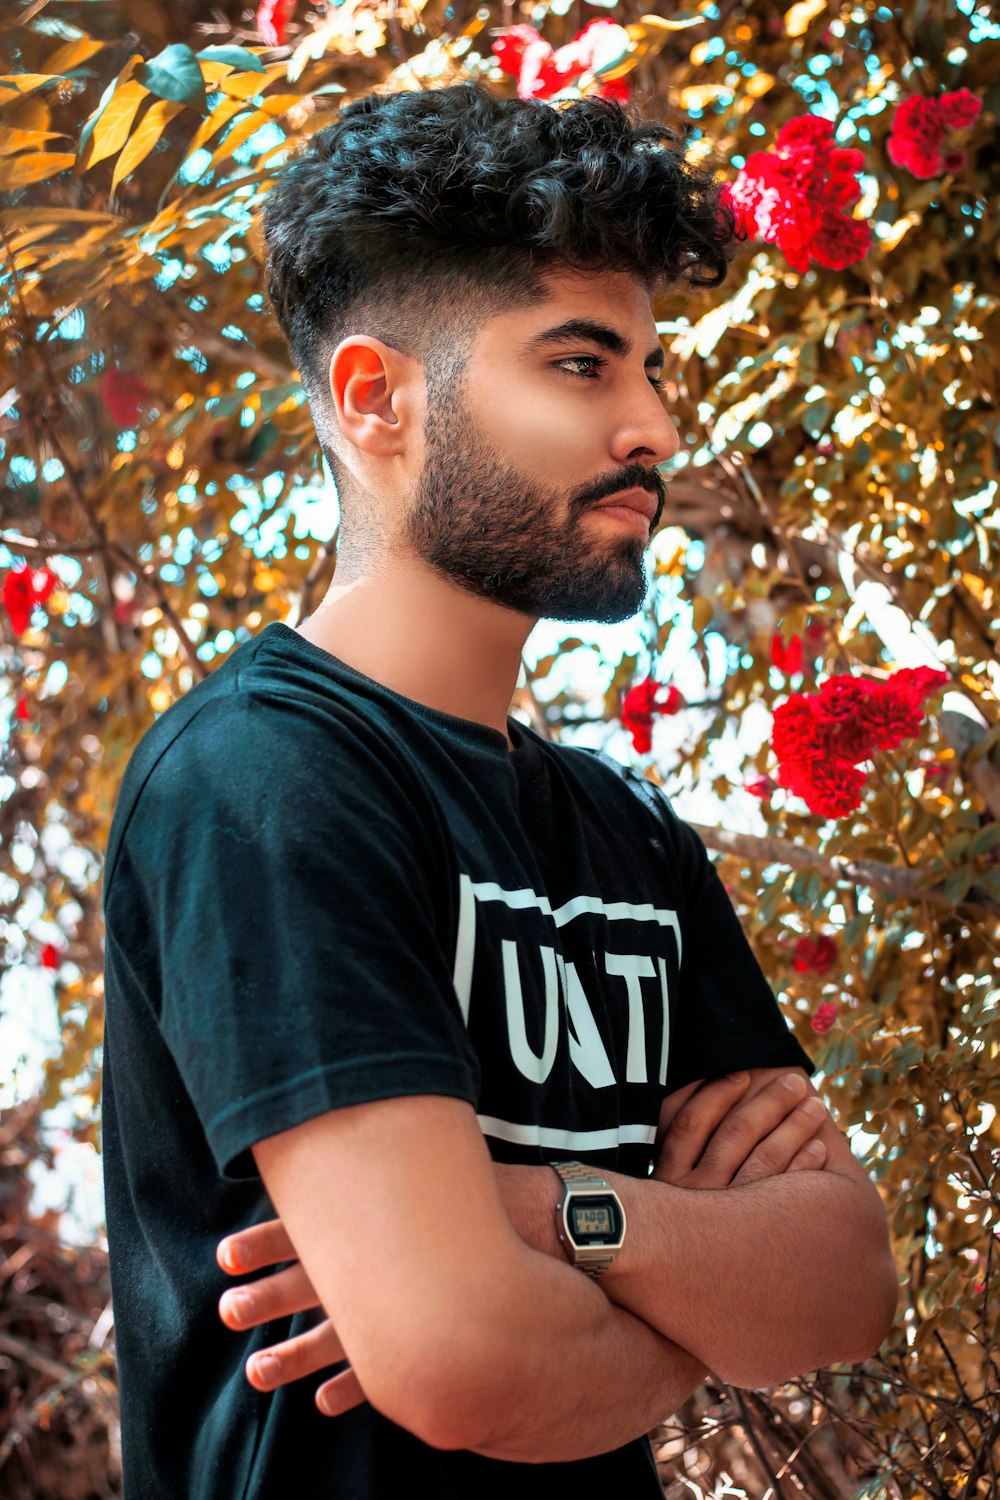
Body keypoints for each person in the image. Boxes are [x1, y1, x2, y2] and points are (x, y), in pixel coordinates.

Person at [100, 81, 897, 1499]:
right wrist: (691, 1283)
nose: (653, 426)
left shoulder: (628, 830)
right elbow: (463, 1355)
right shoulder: (261, 783)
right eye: (584, 365)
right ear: (376, 398)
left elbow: (839, 1288)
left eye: (655, 370)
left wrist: (546, 1214)